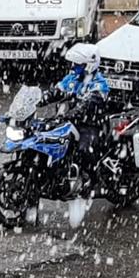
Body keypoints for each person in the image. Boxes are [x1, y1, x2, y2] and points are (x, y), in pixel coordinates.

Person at [40, 43, 111, 180]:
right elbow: (56, 92)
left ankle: (90, 179)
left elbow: (87, 105)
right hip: (71, 122)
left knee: (83, 150)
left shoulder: (99, 84)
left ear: (89, 65)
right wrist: (38, 101)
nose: (73, 67)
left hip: (91, 124)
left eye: (77, 64)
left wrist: (70, 115)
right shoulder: (72, 79)